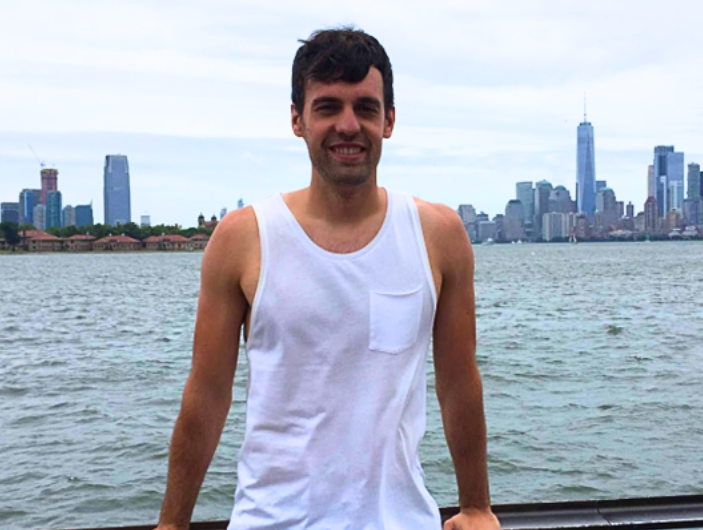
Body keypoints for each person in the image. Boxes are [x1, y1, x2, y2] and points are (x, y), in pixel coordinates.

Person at [155, 28, 497, 530]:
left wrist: (476, 507)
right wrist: (172, 524)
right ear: (297, 119)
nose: (348, 125)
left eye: (365, 107)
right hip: (269, 520)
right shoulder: (244, 238)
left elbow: (458, 381)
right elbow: (207, 395)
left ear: (390, 120)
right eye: (327, 107)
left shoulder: (438, 236)